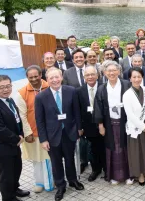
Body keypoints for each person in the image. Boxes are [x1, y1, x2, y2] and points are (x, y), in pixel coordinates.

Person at [35, 68, 84, 201]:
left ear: (61, 77)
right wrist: (43, 139)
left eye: (57, 77)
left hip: (69, 132)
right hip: (52, 136)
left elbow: (77, 111)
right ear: (47, 80)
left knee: (70, 159)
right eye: (51, 78)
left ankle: (73, 180)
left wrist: (79, 128)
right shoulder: (41, 97)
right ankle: (61, 186)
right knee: (56, 162)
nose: (55, 80)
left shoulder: (71, 91)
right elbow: (39, 120)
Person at [14, 66, 54, 193]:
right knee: (36, 159)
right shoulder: (22, 93)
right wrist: (27, 132)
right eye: (30, 77)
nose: (34, 79)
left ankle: (51, 182)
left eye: (36, 76)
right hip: (33, 133)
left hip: (51, 131)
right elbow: (22, 115)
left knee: (50, 158)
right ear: (27, 78)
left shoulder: (50, 86)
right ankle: (39, 182)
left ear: (41, 74)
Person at [94, 61, 132, 185]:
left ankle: (128, 175)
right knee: (113, 149)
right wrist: (100, 125)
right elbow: (98, 107)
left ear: (119, 71)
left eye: (114, 70)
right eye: (108, 71)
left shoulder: (126, 84)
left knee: (125, 148)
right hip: (109, 123)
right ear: (104, 73)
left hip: (125, 121)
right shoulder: (101, 88)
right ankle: (114, 176)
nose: (111, 73)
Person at [0, 75, 30, 201]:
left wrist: (21, 134)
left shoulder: (9, 100)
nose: (6, 90)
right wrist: (17, 139)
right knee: (6, 175)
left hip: (14, 144)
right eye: (2, 87)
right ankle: (8, 198)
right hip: (3, 147)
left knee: (16, 169)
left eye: (8, 86)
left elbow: (16, 119)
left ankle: (15, 189)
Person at [123, 67, 145, 186]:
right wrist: (141, 125)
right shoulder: (127, 94)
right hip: (135, 128)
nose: (136, 79)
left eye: (139, 77)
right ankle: (139, 174)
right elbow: (129, 114)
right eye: (134, 77)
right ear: (130, 78)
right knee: (137, 152)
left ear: (142, 77)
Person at [76, 66, 106, 182]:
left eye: (92, 74)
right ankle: (96, 169)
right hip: (88, 126)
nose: (90, 77)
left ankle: (106, 169)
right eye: (87, 75)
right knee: (93, 149)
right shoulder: (79, 91)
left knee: (104, 147)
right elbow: (77, 111)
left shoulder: (104, 88)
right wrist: (80, 127)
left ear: (97, 75)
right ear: (84, 77)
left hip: (103, 125)